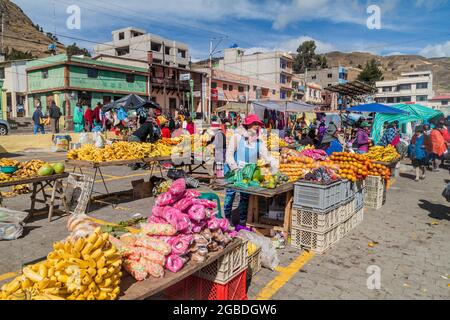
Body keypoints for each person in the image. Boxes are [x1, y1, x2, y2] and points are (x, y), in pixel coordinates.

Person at [225, 114, 278, 226]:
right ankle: (227, 218)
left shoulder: (259, 142)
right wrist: (235, 169)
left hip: (248, 174)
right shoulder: (237, 137)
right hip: (234, 171)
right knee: (230, 194)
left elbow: (267, 157)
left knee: (245, 196)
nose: (256, 126)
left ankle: (242, 221)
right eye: (254, 124)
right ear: (248, 125)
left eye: (258, 124)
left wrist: (276, 166)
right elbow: (229, 155)